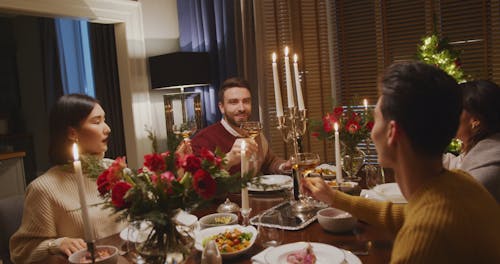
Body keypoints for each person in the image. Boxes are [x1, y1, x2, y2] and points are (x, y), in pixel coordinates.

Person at [303, 62, 500, 263]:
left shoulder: (422, 241)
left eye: (376, 119)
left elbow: (421, 224)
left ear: (392, 132)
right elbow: (401, 214)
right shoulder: (460, 184)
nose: (371, 133)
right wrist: (334, 197)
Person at [10, 94, 126, 263]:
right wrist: (56, 244)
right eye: (96, 121)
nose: (107, 128)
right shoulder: (44, 189)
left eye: (105, 120)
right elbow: (20, 251)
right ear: (72, 133)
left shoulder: (116, 170)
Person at [190, 77, 291, 175]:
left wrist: (283, 166)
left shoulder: (255, 133)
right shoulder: (202, 140)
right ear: (222, 107)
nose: (242, 108)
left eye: (246, 101)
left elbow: (269, 162)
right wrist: (229, 159)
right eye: (234, 102)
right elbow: (200, 180)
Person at [442, 80, 500, 202]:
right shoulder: (478, 150)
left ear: (475, 120)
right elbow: (455, 165)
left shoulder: (492, 157)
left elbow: (458, 201)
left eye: (454, 110)